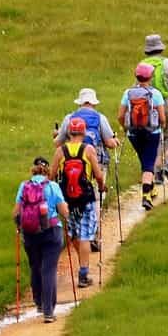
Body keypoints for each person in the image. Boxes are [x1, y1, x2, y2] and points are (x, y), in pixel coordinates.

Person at [59, 90, 119, 251]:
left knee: (74, 193)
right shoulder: (101, 118)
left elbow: (58, 143)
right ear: (93, 102)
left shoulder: (69, 118)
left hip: (73, 162)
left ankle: (76, 232)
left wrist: (56, 135)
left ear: (79, 102)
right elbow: (109, 142)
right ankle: (93, 234)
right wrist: (115, 141)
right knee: (96, 199)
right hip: (97, 159)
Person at [14, 157, 70, 323]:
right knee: (49, 269)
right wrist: (67, 217)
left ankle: (38, 303)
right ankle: (48, 311)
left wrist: (19, 226)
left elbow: (16, 212)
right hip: (52, 231)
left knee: (35, 267)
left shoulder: (24, 186)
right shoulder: (53, 186)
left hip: (30, 233)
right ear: (47, 172)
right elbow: (64, 211)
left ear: (33, 171)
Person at [54, 118, 105, 285]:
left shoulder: (60, 151)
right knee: (85, 236)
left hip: (67, 199)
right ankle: (83, 274)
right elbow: (98, 174)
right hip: (86, 197)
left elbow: (52, 175)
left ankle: (81, 260)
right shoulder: (88, 149)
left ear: (69, 132)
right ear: (83, 132)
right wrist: (102, 186)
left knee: (74, 232)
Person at [120, 64, 168, 210]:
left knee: (145, 160)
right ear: (150, 77)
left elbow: (120, 115)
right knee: (149, 164)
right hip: (152, 133)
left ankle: (152, 188)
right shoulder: (155, 94)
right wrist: (162, 125)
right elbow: (162, 117)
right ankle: (146, 195)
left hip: (133, 133)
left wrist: (125, 127)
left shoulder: (128, 93)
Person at [138, 36, 168, 182]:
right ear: (161, 48)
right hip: (166, 103)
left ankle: (158, 170)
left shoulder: (141, 65)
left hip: (147, 106)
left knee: (155, 134)